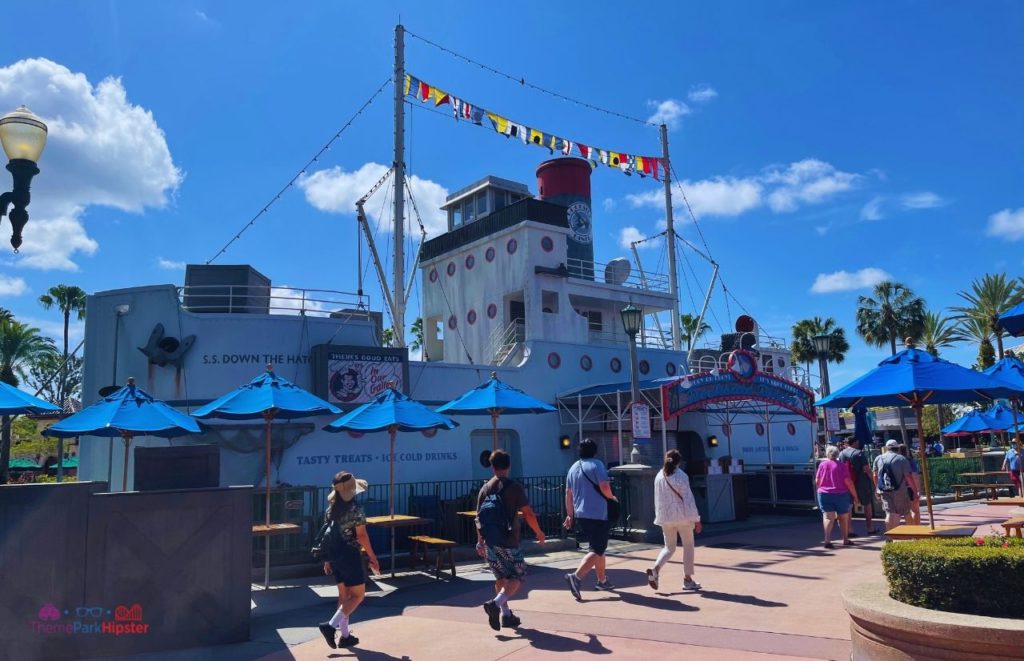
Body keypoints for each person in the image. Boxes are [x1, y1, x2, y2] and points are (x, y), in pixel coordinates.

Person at [476, 449, 546, 631]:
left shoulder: (484, 488)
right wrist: (538, 532)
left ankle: (506, 615)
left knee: (501, 576)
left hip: (491, 540)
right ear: (509, 466)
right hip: (509, 540)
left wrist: (480, 541)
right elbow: (528, 513)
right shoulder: (513, 487)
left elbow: (479, 518)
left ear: (491, 466)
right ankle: (496, 604)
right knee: (519, 576)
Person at [318, 471, 380, 650]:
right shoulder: (356, 510)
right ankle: (330, 626)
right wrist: (372, 557)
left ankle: (345, 636)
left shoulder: (330, 510)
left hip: (335, 555)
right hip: (350, 555)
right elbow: (362, 536)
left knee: (344, 597)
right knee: (358, 596)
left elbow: (328, 535)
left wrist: (327, 560)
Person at [563, 438, 619, 599]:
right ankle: (576, 577)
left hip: (581, 514)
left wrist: (570, 514)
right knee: (597, 549)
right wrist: (612, 498)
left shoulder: (573, 468)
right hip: (598, 513)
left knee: (597, 547)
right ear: (595, 451)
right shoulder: (597, 464)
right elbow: (604, 486)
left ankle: (602, 580)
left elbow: (568, 493)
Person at [646, 449, 702, 592]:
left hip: (665, 518)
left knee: (669, 547)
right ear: (679, 462)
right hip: (682, 517)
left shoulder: (659, 476)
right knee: (688, 546)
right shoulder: (681, 476)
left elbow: (657, 499)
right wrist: (696, 519)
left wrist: (659, 516)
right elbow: (688, 500)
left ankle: (656, 569)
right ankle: (687, 579)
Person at [815, 445, 860, 549]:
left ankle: (827, 540)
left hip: (824, 494)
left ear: (827, 454)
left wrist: (821, 489)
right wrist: (855, 496)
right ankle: (845, 539)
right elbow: (848, 482)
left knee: (828, 517)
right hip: (841, 495)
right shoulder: (842, 466)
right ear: (838, 454)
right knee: (843, 518)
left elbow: (817, 481)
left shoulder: (822, 465)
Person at [839, 437, 877, 535]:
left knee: (849, 506)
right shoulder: (859, 453)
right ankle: (870, 528)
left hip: (847, 482)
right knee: (867, 504)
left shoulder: (842, 453)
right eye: (858, 442)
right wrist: (874, 481)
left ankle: (849, 530)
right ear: (855, 442)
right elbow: (866, 469)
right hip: (861, 482)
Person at [874, 440, 913, 531]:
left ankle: (889, 537)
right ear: (897, 447)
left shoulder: (878, 458)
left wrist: (877, 489)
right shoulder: (901, 459)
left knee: (889, 513)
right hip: (900, 490)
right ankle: (912, 535)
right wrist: (914, 490)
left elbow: (875, 475)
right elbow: (908, 476)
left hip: (884, 490)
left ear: (887, 447)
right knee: (907, 512)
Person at [896, 444, 922, 525]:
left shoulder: (896, 461)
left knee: (905, 512)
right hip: (910, 488)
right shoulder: (910, 461)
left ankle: (909, 530)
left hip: (899, 488)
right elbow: (915, 476)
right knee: (915, 511)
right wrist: (918, 490)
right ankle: (917, 530)